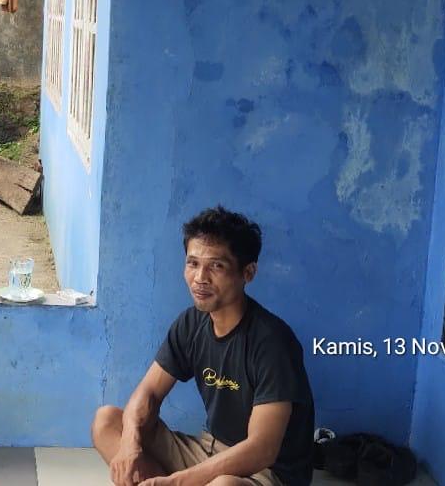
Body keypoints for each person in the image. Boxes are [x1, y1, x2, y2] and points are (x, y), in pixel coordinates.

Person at [92, 207, 316, 486]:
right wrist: (129, 445)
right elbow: (148, 393)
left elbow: (262, 449)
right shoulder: (191, 323)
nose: (200, 278)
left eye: (216, 266)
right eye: (193, 263)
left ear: (248, 273)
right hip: (209, 451)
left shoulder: (272, 342)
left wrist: (177, 482)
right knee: (108, 421)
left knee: (224, 485)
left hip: (266, 471)